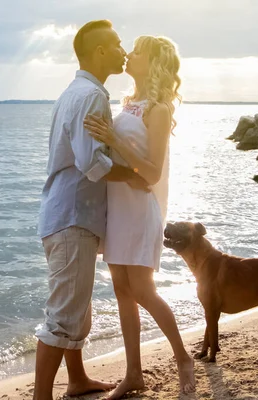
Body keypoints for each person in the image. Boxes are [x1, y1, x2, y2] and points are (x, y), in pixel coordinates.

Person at [34, 20, 149, 400]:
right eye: (117, 44)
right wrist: (133, 175)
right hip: (71, 217)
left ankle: (78, 379)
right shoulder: (92, 96)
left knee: (77, 307)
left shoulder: (75, 91)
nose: (123, 50)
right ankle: (41, 397)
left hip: (64, 214)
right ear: (100, 51)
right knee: (64, 313)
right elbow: (91, 163)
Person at [84, 35, 195, 399]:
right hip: (117, 209)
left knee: (143, 291)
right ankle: (133, 374)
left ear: (153, 62)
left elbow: (152, 172)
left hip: (140, 209)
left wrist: (114, 140)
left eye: (136, 51)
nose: (129, 55)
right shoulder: (129, 103)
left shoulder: (158, 110)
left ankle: (183, 358)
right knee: (121, 291)